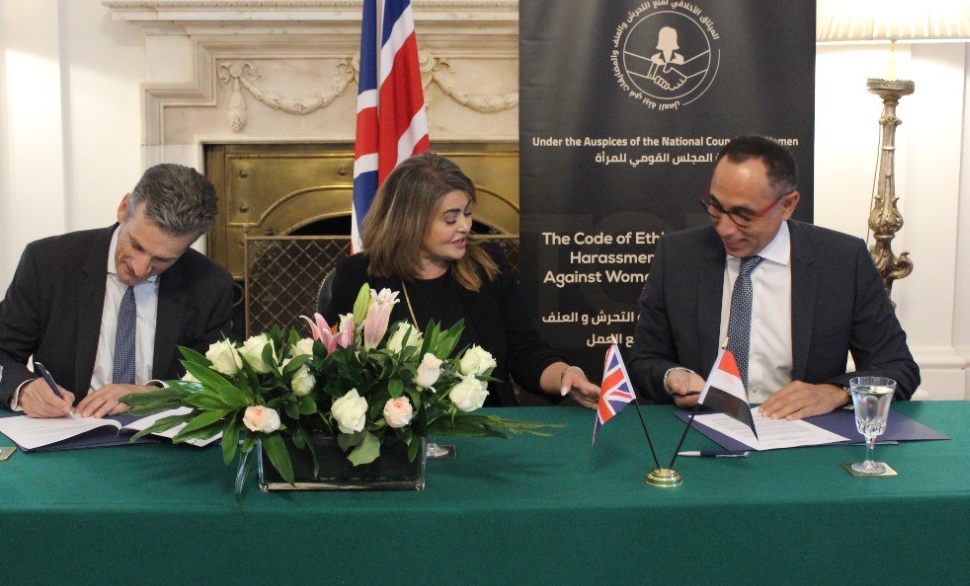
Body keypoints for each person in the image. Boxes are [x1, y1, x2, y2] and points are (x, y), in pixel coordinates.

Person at [629, 135, 919, 419]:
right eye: (716, 208)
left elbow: (898, 368)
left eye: (743, 215)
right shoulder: (679, 256)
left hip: (802, 441)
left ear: (788, 204)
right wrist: (671, 377)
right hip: (701, 432)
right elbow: (643, 361)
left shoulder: (842, 261)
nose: (726, 229)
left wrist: (834, 392)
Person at [325, 153, 600, 409]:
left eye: (467, 213)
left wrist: (566, 374)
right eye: (451, 218)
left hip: (488, 430)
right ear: (410, 223)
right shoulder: (358, 277)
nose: (466, 226)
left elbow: (525, 353)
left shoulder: (487, 267)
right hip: (398, 439)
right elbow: (335, 366)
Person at [0, 163, 235, 419]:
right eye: (137, 246)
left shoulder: (209, 284)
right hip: (67, 437)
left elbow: (224, 381)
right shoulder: (49, 263)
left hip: (162, 445)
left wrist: (155, 395)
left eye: (162, 260)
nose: (140, 269)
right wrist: (25, 390)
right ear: (123, 209)